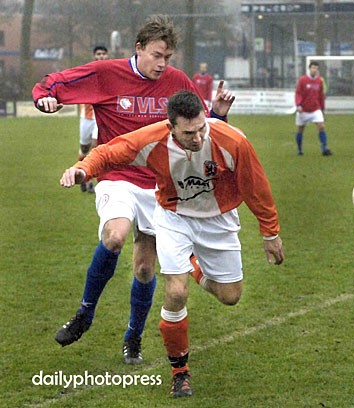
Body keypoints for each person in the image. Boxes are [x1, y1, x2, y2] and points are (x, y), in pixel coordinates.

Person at [32, 15, 234, 365]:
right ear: (138, 48)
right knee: (115, 235)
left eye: (168, 57)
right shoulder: (107, 73)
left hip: (159, 186)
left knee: (144, 269)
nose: (163, 64)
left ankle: (133, 337)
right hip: (116, 176)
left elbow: (200, 131)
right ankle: (85, 314)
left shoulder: (177, 82)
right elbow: (53, 83)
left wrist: (217, 114)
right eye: (157, 55)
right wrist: (44, 99)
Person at [60, 90, 285, 398]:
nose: (197, 137)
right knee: (175, 293)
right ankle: (180, 372)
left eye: (202, 128)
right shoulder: (153, 139)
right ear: (171, 127)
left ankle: (194, 266)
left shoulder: (232, 141)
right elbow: (111, 152)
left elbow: (256, 186)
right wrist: (83, 168)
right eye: (189, 132)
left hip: (218, 221)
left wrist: (270, 232)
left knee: (231, 296)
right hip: (173, 218)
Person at [79, 45, 109, 193]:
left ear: (107, 56)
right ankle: (81, 175)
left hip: (101, 117)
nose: (101, 56)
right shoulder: (87, 72)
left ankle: (91, 182)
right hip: (86, 117)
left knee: (96, 147)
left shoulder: (112, 73)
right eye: (98, 54)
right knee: (84, 148)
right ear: (94, 56)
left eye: (104, 54)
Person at [294, 61, 332, 156]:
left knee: (321, 126)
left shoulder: (319, 81)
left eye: (316, 68)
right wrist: (298, 105)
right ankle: (299, 149)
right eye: (313, 68)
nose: (314, 70)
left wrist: (322, 109)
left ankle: (324, 148)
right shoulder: (302, 80)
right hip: (303, 110)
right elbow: (298, 93)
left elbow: (321, 96)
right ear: (309, 68)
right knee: (300, 129)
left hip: (316, 109)